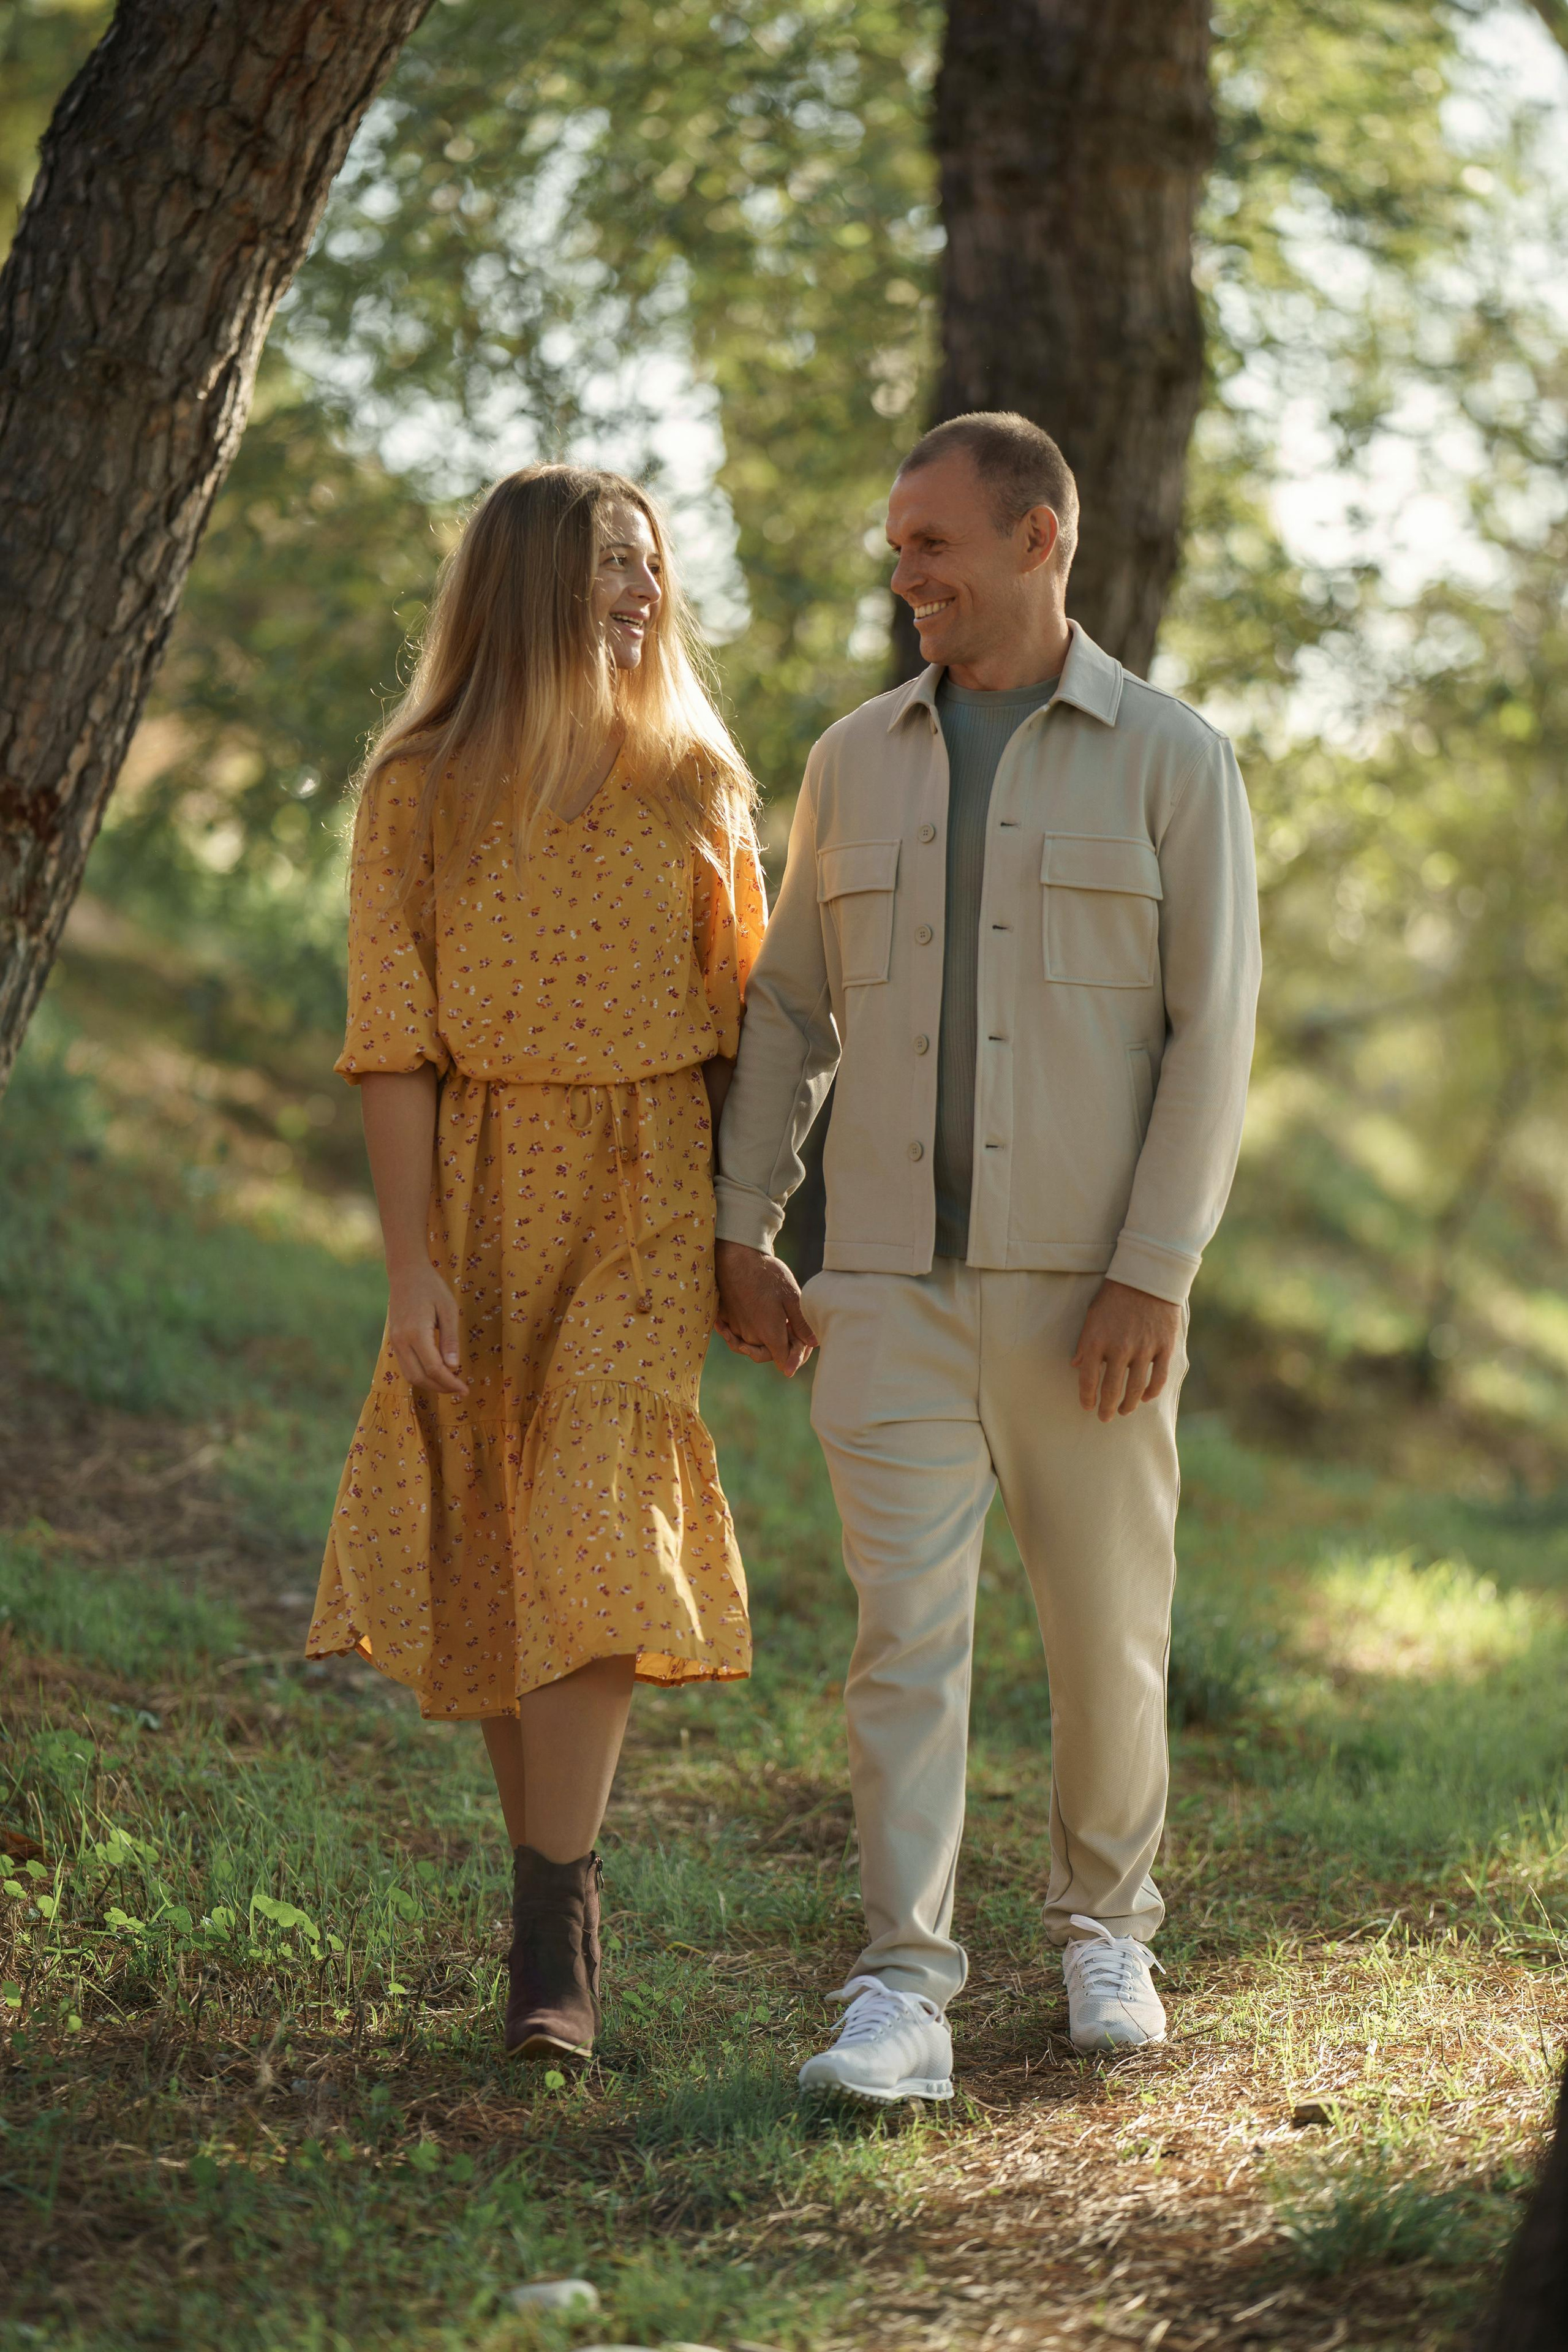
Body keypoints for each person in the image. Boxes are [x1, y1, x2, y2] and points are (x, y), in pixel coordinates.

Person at [714, 412, 1261, 2100]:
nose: (906, 575)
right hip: (880, 1285)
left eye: (933, 544)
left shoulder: (1174, 760)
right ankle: (903, 1989)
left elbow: (1212, 1032)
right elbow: (791, 1004)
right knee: (904, 1645)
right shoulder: (851, 762)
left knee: (1107, 1630)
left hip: (1088, 1294)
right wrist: (742, 1222)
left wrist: (1155, 1268)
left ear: (1038, 541)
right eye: (897, 546)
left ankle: (1110, 1930)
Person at [307, 464, 766, 2066]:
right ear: (517, 590)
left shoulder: (696, 782)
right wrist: (411, 1265)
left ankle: (549, 1930)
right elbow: (392, 1047)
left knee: (588, 1511)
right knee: (502, 1535)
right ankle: (546, 1888)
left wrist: (749, 1242)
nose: (631, 593)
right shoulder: (419, 790)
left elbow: (750, 1041)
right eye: (595, 569)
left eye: (643, 564)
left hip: (646, 1184)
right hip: (484, 1177)